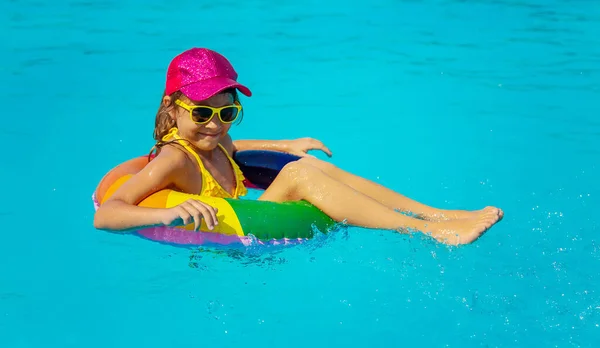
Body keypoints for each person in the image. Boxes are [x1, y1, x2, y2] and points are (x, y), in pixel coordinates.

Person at [93, 47, 503, 245]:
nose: (215, 125)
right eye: (201, 113)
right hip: (235, 240)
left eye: (227, 113)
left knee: (308, 165)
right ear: (173, 107)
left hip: (249, 218)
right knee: (298, 173)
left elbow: (235, 150)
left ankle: (439, 213)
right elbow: (107, 214)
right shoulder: (174, 158)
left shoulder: (215, 139)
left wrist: (285, 143)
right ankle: (429, 232)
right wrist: (167, 214)